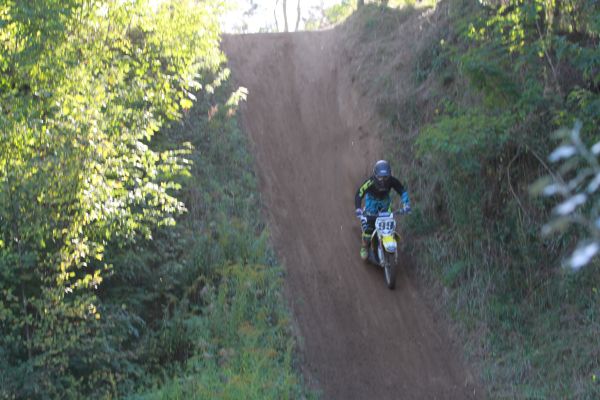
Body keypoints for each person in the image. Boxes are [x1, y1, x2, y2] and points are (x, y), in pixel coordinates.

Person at [354, 160, 411, 260]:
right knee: (369, 228)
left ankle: (388, 242)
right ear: (375, 175)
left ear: (389, 175)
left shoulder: (392, 181)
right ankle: (365, 247)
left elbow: (402, 190)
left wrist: (406, 204)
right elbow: (359, 193)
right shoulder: (370, 182)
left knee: (389, 224)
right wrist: (358, 209)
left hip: (385, 202)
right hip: (371, 203)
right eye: (380, 177)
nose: (383, 180)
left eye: (386, 177)